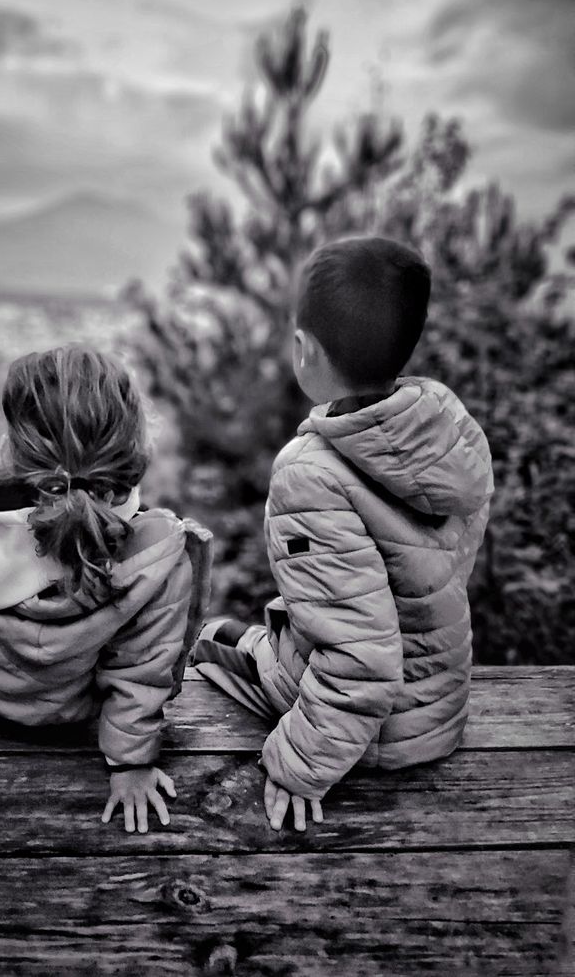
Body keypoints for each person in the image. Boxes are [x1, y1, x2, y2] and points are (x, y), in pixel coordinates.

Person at [194, 236, 493, 833]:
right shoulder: (447, 433)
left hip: (369, 732)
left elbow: (360, 661)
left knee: (210, 645)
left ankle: (213, 640)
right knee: (270, 627)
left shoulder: (308, 473)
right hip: (436, 704)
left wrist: (296, 768)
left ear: (304, 351)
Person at [0, 345, 212, 834]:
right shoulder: (155, 554)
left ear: (20, 450)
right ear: (133, 440)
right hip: (66, 716)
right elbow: (142, 669)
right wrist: (131, 766)